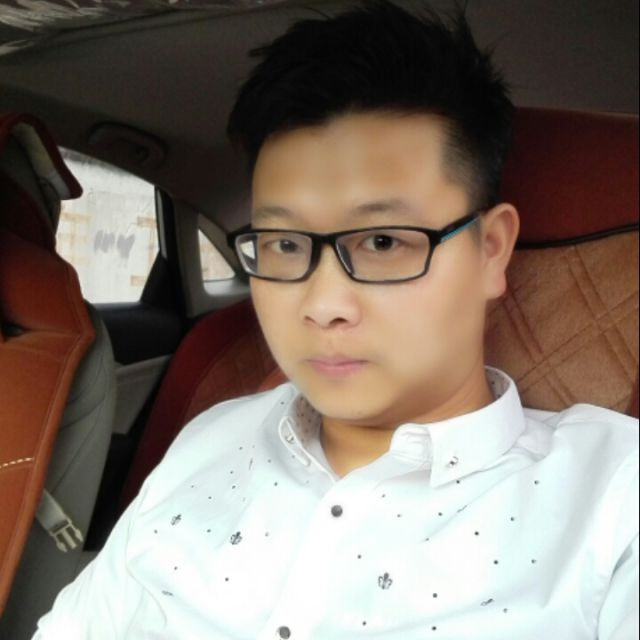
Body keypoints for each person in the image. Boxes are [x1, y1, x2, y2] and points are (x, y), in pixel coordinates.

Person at [34, 1, 638, 638]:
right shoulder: (208, 439)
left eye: (382, 241)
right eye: (284, 244)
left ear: (490, 250)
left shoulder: (613, 499)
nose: (323, 305)